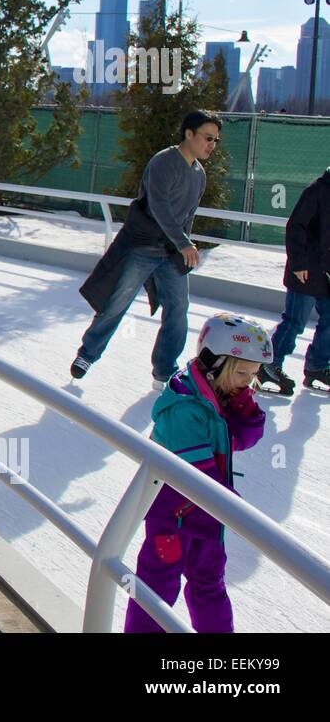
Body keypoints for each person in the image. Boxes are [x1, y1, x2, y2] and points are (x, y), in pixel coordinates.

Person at [123, 313, 270, 633]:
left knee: (209, 586)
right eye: (242, 372)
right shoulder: (185, 408)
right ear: (214, 364)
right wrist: (236, 511)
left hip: (205, 517)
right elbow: (200, 478)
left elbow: (242, 441)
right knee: (156, 588)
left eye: (254, 374)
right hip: (172, 518)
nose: (249, 380)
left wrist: (247, 410)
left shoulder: (216, 397)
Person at [74, 110, 220, 387]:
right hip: (143, 247)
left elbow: (187, 215)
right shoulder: (164, 162)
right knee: (117, 302)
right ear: (189, 134)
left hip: (171, 252)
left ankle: (165, 370)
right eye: (208, 138)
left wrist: (183, 247)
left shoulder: (199, 174)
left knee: (178, 308)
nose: (212, 145)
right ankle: (87, 354)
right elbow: (159, 207)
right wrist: (184, 242)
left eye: (215, 140)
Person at [260, 167, 330, 394]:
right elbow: (296, 226)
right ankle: (270, 364)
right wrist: (299, 264)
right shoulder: (317, 190)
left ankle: (316, 367)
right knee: (294, 322)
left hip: (326, 272)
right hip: (307, 270)